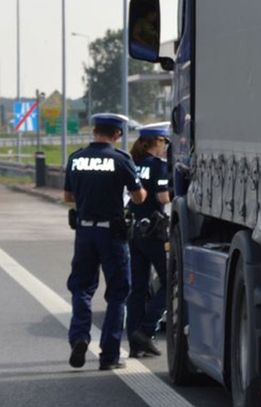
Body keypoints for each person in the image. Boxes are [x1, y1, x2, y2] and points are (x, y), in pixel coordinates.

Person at [64, 113, 147, 370]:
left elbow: (68, 196)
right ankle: (109, 356)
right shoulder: (121, 160)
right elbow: (138, 198)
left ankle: (79, 337)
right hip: (112, 234)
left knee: (81, 288)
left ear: (94, 131)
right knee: (118, 293)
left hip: (84, 232)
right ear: (118, 134)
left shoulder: (76, 158)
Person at [126, 122, 171, 357]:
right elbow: (163, 197)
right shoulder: (158, 166)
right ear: (156, 141)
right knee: (169, 281)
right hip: (154, 233)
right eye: (164, 141)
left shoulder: (134, 164)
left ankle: (134, 341)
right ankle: (146, 330)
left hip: (135, 232)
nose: (165, 147)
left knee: (138, 288)